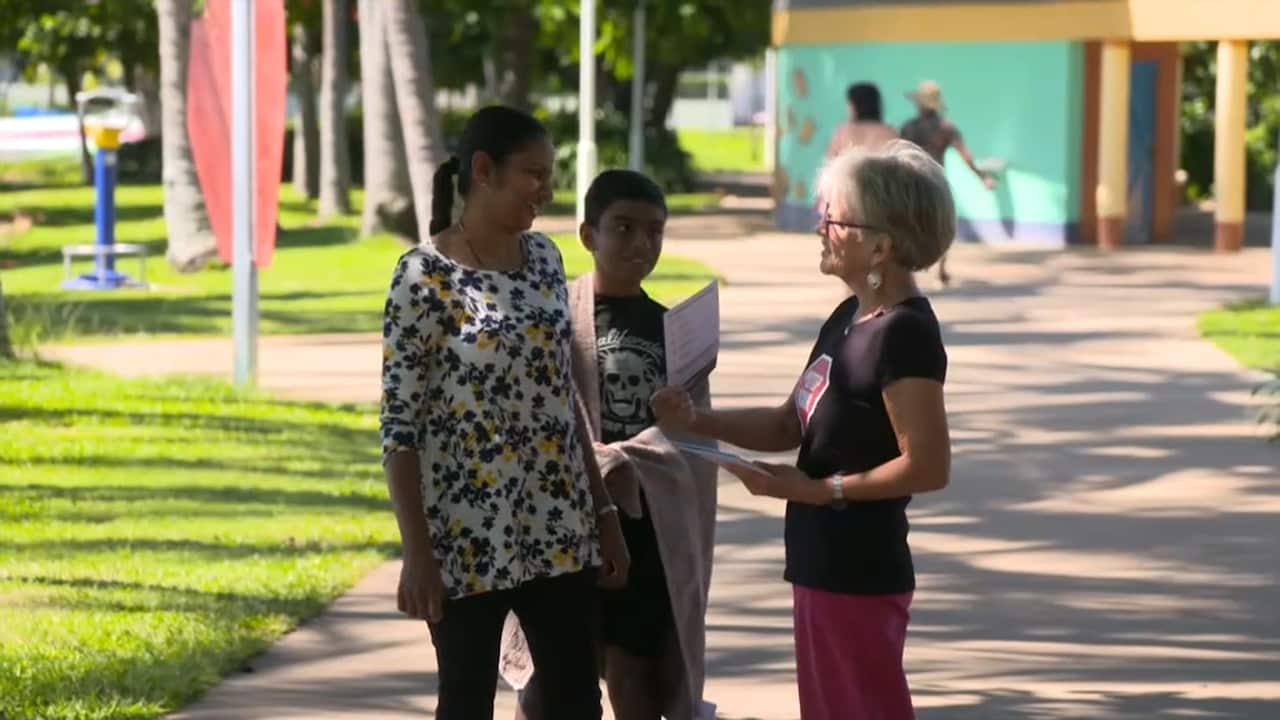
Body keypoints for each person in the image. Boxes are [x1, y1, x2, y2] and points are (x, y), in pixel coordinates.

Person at [651, 140, 955, 720]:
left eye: (834, 220)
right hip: (820, 561)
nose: (821, 229)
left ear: (880, 246)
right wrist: (697, 420)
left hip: (860, 569)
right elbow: (789, 421)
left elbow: (928, 465)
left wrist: (816, 491)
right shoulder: (850, 317)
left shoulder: (904, 334)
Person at [380, 105, 630, 720]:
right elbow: (399, 429)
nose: (546, 190)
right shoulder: (421, 276)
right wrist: (417, 552)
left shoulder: (545, 259)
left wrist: (603, 513)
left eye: (549, 175)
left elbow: (561, 396)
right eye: (533, 174)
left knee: (577, 701)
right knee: (466, 701)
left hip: (559, 526)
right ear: (483, 171)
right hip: (466, 536)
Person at [506, 170, 719, 720]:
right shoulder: (552, 318)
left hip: (646, 532)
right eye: (623, 228)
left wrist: (650, 450)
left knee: (636, 674)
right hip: (565, 525)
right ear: (588, 235)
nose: (641, 243)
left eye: (655, 231)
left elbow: (694, 439)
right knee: (554, 677)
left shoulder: (675, 330)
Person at [899, 79, 996, 285]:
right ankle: (941, 270)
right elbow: (966, 157)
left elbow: (895, 153)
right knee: (942, 225)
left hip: (910, 180)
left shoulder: (909, 127)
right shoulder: (946, 128)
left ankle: (906, 270)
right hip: (936, 179)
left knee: (906, 224)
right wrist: (982, 177)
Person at [825, 82, 898, 160]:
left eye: (849, 104)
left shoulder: (842, 132)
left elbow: (829, 161)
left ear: (854, 105)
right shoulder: (890, 132)